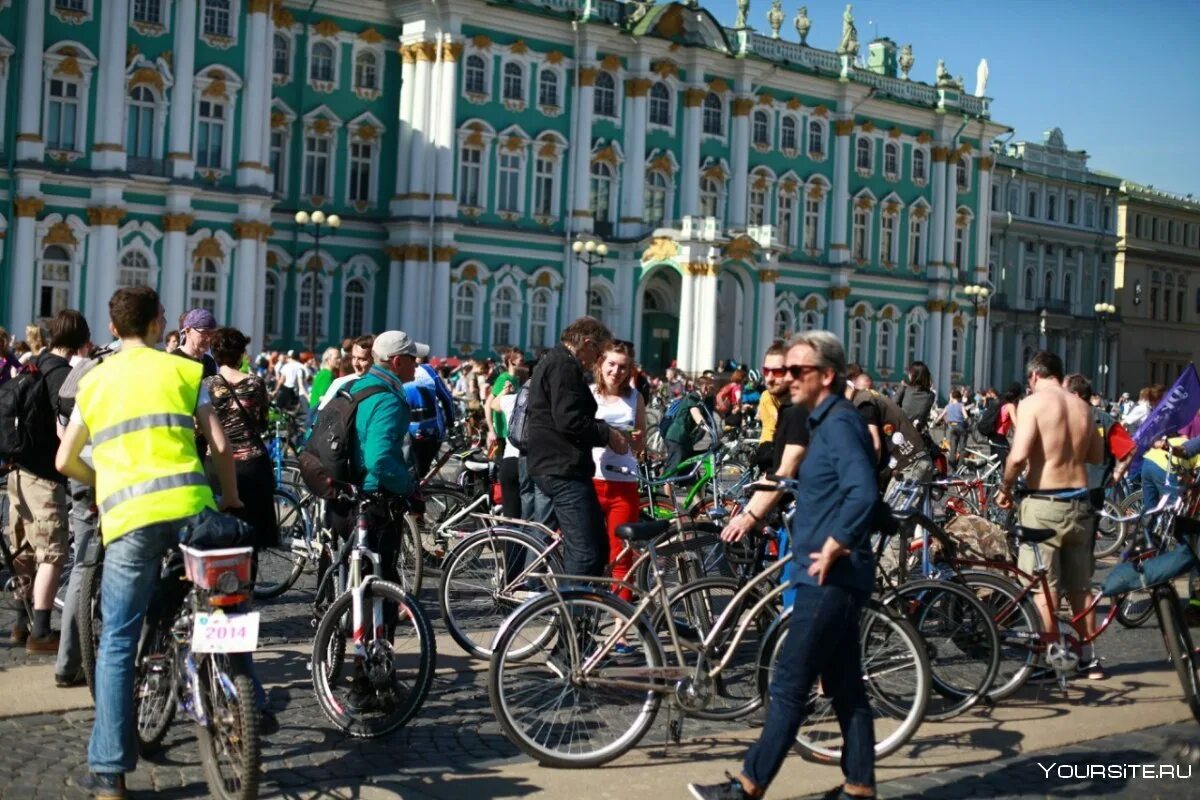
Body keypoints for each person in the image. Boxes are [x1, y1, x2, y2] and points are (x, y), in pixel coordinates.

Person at [55, 287, 243, 799]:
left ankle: (110, 773)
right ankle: (245, 697)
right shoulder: (184, 372)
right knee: (227, 604)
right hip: (191, 507)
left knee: (118, 639)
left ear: (113, 329)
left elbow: (65, 460)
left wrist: (103, 486)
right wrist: (229, 498)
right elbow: (221, 446)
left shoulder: (94, 379)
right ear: (162, 325)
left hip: (130, 517)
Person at [690, 331, 877, 800]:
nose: (787, 378)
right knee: (847, 689)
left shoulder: (837, 424)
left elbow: (863, 490)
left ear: (827, 375)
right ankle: (859, 789)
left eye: (798, 371)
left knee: (791, 684)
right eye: (784, 370)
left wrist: (836, 543)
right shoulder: (823, 420)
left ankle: (748, 787)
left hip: (827, 575)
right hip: (825, 571)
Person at [995, 351, 1104, 681]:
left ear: (1033, 377)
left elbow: (1018, 455)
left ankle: (1048, 658)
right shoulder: (1084, 408)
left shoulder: (1033, 404)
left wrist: (1005, 488)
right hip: (1080, 504)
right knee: (1080, 586)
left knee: (1041, 585)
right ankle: (1088, 658)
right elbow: (1097, 456)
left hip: (1044, 503)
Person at [6, 309, 87, 654]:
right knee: (51, 553)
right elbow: (67, 421)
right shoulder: (62, 375)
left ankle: (19, 625)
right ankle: (41, 631)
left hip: (16, 472)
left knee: (22, 551)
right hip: (42, 475)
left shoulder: (34, 363)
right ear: (80, 341)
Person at [526, 317, 629, 578]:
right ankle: (573, 613)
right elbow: (569, 420)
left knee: (596, 540)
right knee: (585, 551)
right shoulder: (564, 364)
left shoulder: (556, 361)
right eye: (598, 352)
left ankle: (584, 607)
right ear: (585, 343)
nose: (596, 360)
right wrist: (607, 434)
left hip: (559, 464)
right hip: (561, 467)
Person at [204, 328, 278, 551]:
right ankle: (247, 584)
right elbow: (263, 422)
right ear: (240, 354)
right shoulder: (255, 384)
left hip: (215, 462)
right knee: (251, 538)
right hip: (251, 464)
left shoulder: (206, 385)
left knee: (215, 535)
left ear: (215, 354)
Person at [590, 341, 645, 604]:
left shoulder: (635, 398)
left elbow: (640, 443)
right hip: (590, 481)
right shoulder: (589, 394)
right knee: (586, 554)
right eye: (611, 364)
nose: (616, 371)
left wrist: (630, 440)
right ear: (600, 364)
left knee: (622, 555)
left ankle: (620, 628)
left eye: (623, 366)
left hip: (623, 484)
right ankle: (582, 619)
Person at [405, 357, 457, 478]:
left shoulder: (395, 371)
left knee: (407, 475)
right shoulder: (428, 370)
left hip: (406, 433)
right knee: (421, 474)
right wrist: (450, 424)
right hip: (432, 432)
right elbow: (447, 398)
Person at [664, 375, 714, 474]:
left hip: (685, 440)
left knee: (689, 474)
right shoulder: (693, 396)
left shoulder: (701, 400)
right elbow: (697, 416)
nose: (714, 391)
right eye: (712, 388)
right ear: (705, 387)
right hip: (676, 438)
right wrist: (710, 430)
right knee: (670, 473)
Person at [754, 342, 790, 473]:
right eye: (766, 371)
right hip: (769, 443)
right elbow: (777, 418)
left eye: (778, 372)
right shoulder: (766, 395)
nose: (769, 378)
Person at [320, 335, 374, 410]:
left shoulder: (385, 383)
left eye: (362, 359)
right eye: (354, 357)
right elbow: (322, 414)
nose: (355, 363)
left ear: (374, 359)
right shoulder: (340, 383)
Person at [174, 309, 219, 379]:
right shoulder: (174, 360)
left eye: (212, 333)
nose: (209, 338)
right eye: (204, 333)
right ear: (188, 331)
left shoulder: (209, 362)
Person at [894, 361, 936, 432]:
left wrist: (901, 388)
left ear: (913, 375)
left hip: (902, 430)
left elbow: (892, 404)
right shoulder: (931, 395)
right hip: (919, 432)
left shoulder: (905, 389)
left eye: (909, 373)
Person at [935, 389, 968, 469]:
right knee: (962, 448)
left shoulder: (948, 406)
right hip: (960, 426)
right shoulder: (961, 405)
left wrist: (936, 421)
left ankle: (952, 467)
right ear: (959, 398)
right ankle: (960, 466)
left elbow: (941, 416)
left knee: (953, 449)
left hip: (952, 427)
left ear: (952, 397)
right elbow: (966, 416)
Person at [308, 347, 342, 421]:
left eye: (340, 357)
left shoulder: (325, 373)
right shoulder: (326, 375)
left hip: (317, 414)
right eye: (337, 358)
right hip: (318, 415)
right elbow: (323, 398)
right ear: (327, 360)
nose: (340, 360)